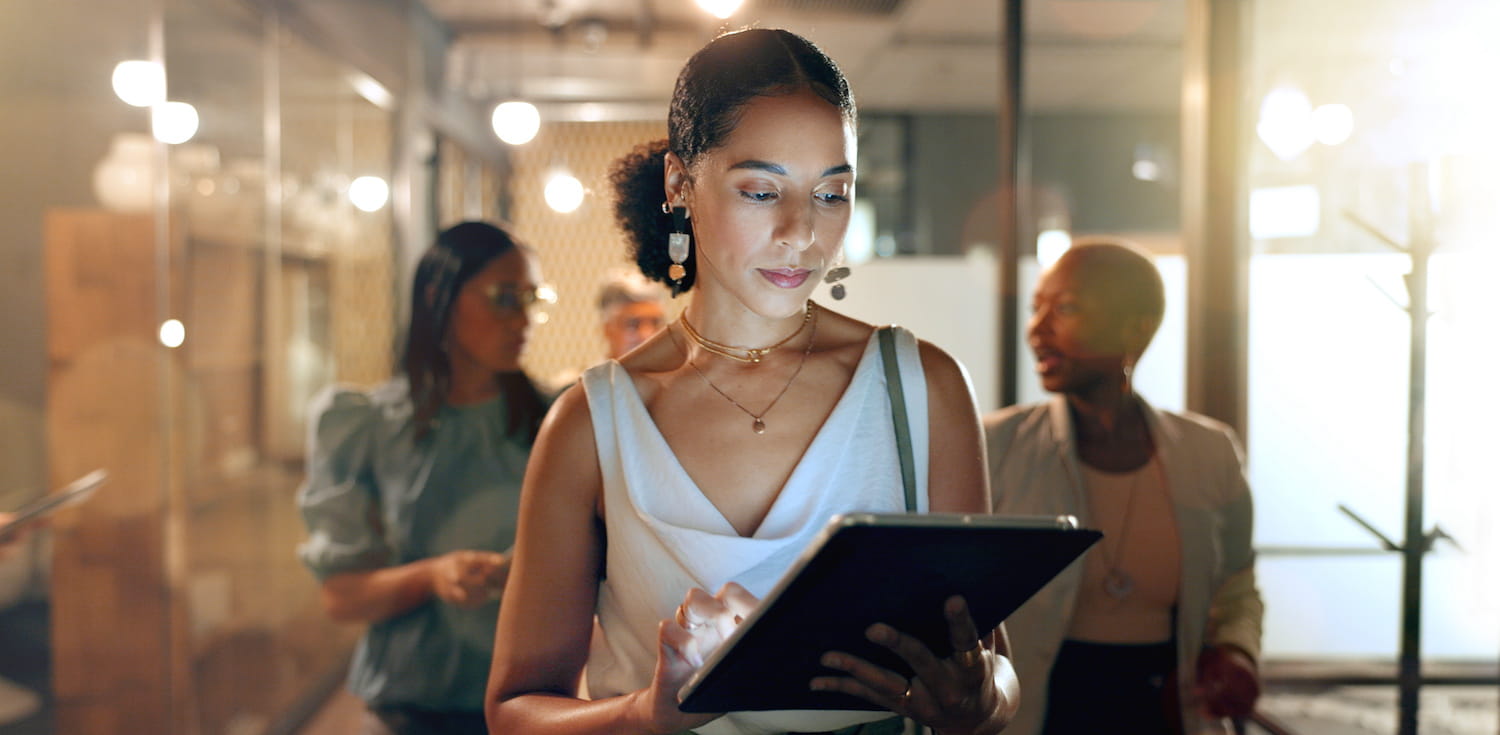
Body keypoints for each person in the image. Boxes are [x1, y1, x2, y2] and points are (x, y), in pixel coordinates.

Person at [484, 28, 1017, 735]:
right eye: (763, 190)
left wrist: (982, 702)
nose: (802, 232)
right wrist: (646, 714)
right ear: (680, 183)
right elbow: (515, 710)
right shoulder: (594, 420)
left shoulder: (922, 388)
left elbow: (993, 660)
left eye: (832, 194)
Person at [984, 239, 1263, 735]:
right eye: (1036, 308)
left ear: (1138, 326)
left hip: (1166, 710)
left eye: (1065, 308)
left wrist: (1236, 652)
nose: (1036, 329)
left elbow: (1237, 587)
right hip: (1042, 711)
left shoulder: (1208, 451)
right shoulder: (996, 446)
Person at [298, 221, 552, 735]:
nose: (522, 320)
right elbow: (342, 595)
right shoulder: (367, 425)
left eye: (530, 299)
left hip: (532, 701)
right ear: (440, 297)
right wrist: (433, 576)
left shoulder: (556, 420)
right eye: (504, 298)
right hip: (410, 705)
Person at [599, 268, 669, 360]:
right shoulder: (590, 374)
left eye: (655, 323)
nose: (647, 335)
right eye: (633, 324)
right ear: (608, 330)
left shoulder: (681, 373)